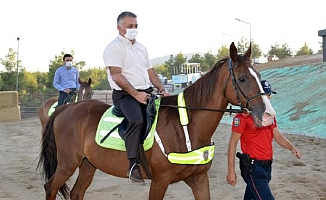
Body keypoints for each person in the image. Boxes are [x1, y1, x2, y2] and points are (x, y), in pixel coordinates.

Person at [102, 11, 169, 183]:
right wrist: (136, 94)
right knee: (137, 120)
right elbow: (116, 76)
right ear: (120, 27)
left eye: (136, 26)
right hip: (125, 95)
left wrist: (162, 89)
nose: (134, 29)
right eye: (130, 26)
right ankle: (133, 165)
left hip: (145, 92)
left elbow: (150, 72)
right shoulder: (113, 48)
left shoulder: (141, 48)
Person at [226, 80, 301, 200]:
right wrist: (231, 171)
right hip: (253, 169)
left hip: (267, 167)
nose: (268, 98)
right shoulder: (242, 118)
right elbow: (232, 143)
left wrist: (292, 148)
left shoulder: (269, 116)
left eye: (269, 95)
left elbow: (277, 136)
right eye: (265, 95)